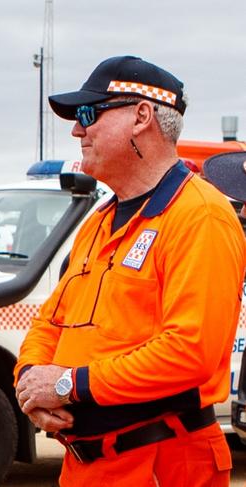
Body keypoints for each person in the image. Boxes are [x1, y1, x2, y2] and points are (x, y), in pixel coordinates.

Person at [14, 55, 246, 486]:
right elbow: (51, 320)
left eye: (88, 114)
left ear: (142, 116)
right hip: (87, 466)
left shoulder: (200, 216)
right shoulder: (100, 221)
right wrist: (30, 381)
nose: (77, 130)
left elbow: (189, 352)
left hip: (162, 464)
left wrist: (67, 385)